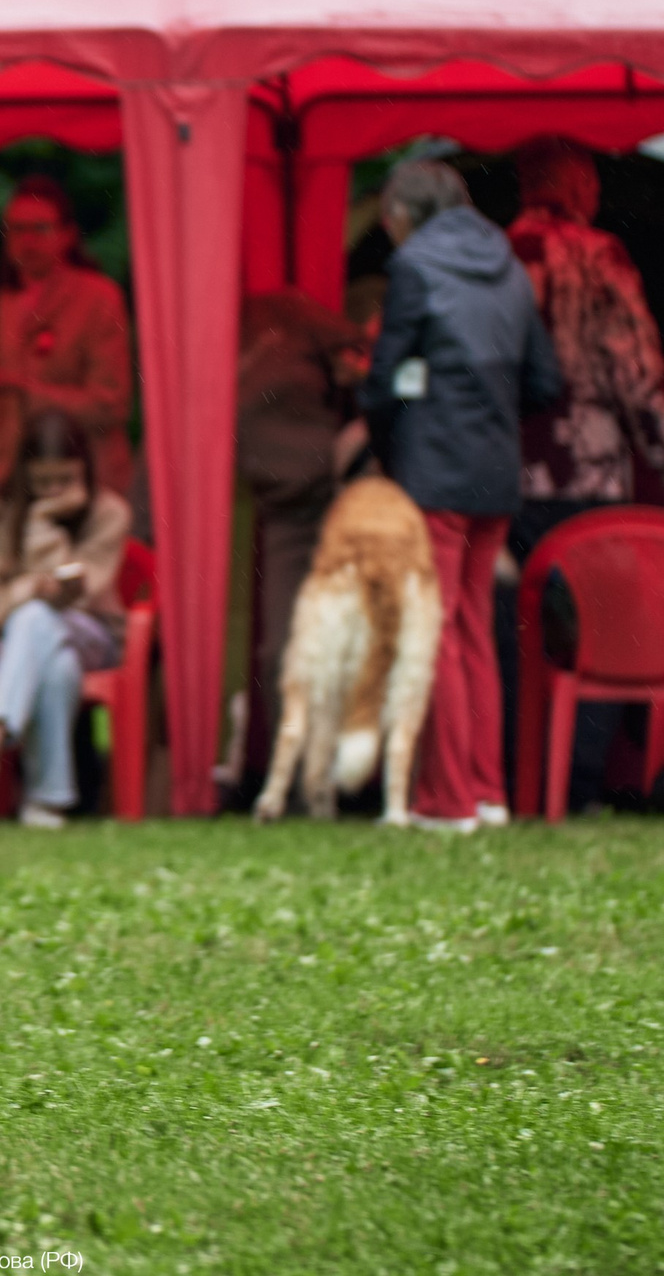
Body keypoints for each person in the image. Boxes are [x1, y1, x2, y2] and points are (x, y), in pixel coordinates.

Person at [361, 157, 561, 833]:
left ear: (400, 217)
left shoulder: (414, 265)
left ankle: (446, 802)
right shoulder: (508, 266)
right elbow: (543, 380)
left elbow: (384, 377)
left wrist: (392, 450)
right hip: (496, 471)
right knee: (475, 626)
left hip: (434, 470)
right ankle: (486, 792)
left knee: (435, 628)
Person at [0, 412, 133, 827]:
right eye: (42, 483)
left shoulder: (109, 512)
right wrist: (34, 586)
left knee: (38, 619)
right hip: (13, 637)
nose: (53, 491)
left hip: (90, 633)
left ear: (84, 470)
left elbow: (81, 593)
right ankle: (47, 801)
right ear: (23, 475)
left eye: (64, 481)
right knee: (52, 655)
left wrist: (41, 523)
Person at [236, 289, 371, 777]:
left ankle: (361, 776)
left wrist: (358, 413)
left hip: (341, 494)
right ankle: (293, 781)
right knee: (282, 650)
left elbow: (368, 353)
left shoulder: (282, 312)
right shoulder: (191, 338)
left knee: (359, 640)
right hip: (282, 508)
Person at [507, 138, 664, 544]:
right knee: (588, 601)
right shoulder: (599, 255)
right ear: (580, 186)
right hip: (587, 479)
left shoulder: (493, 255)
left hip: (504, 481)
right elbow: (637, 373)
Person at [0, 176, 137, 498]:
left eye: (39, 229)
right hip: (17, 489)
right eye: (16, 229)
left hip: (87, 487)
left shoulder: (98, 297)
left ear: (68, 235)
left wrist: (21, 388)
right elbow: (3, 427)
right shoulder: (7, 300)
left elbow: (110, 406)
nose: (27, 241)